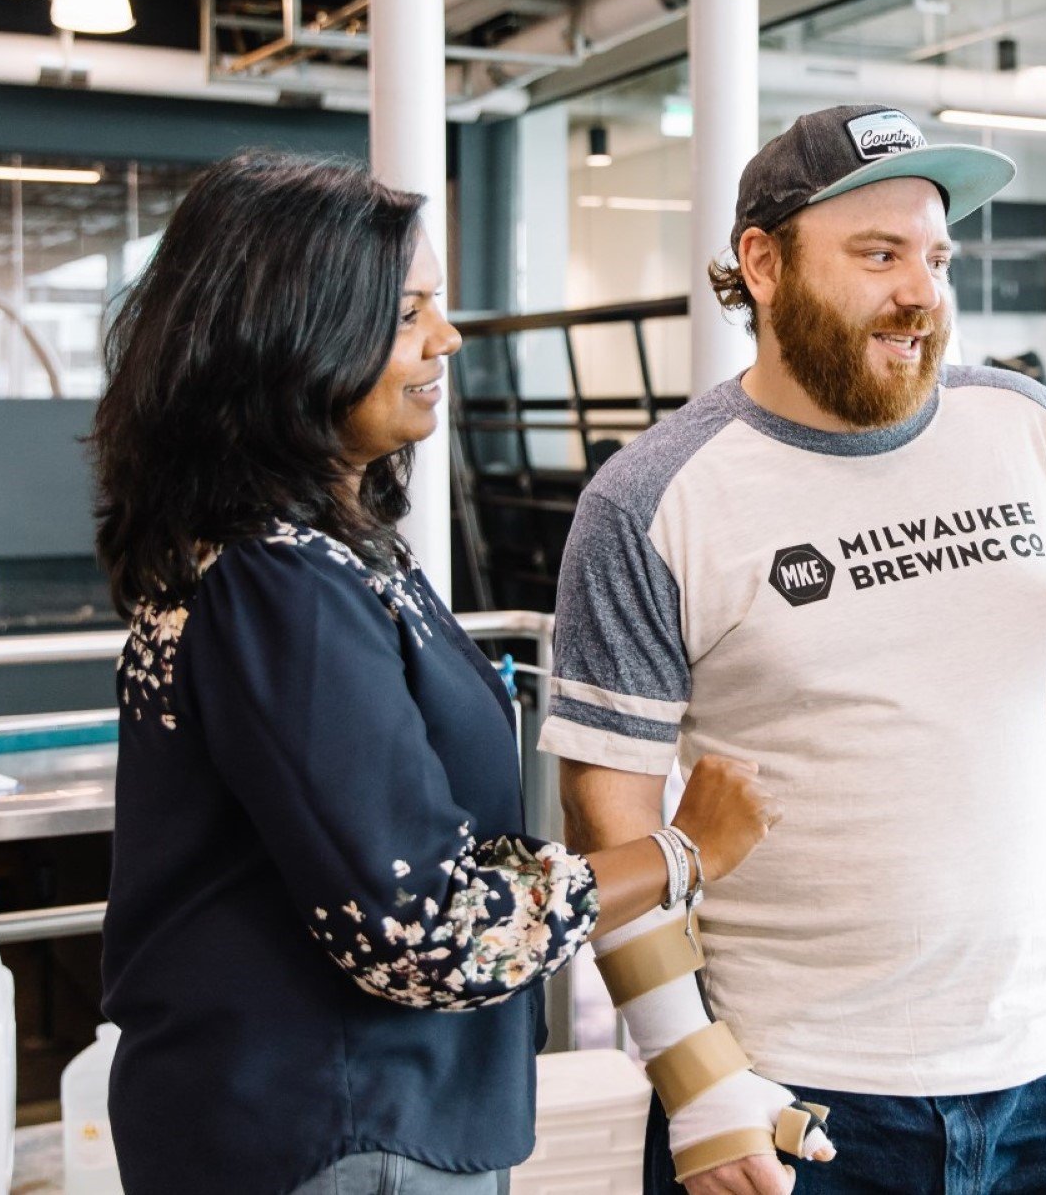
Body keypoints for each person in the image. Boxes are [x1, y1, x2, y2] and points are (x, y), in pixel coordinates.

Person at [540, 105, 1046, 1195]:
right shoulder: (653, 498)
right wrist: (692, 1071)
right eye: (879, 254)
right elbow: (606, 822)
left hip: (1039, 1075)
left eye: (937, 256)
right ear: (763, 264)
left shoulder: (1026, 429)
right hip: (796, 1092)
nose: (922, 291)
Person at [89, 152, 785, 1195]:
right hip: (340, 1128)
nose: (444, 338)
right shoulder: (281, 583)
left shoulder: (291, 551)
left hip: (290, 1115)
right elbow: (428, 933)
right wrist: (684, 854)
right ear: (296, 330)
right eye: (409, 310)